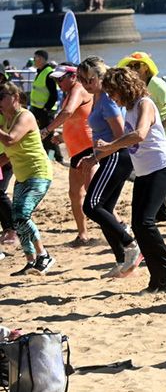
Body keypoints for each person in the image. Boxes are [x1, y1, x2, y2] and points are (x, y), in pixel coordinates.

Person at [94, 67, 166, 295]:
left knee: (145, 223)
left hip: (161, 168)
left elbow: (140, 134)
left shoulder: (144, 103)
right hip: (144, 172)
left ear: (123, 88)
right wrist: (94, 157)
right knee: (138, 225)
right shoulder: (130, 108)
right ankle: (158, 279)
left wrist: (111, 146)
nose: (111, 97)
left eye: (113, 92)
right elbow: (126, 139)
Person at [76, 57, 140, 279]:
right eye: (80, 79)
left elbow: (120, 135)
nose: (85, 84)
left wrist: (98, 156)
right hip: (106, 157)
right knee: (103, 208)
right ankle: (122, 261)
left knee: (91, 206)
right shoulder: (98, 98)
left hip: (117, 156)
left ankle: (130, 243)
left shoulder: (108, 100)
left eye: (89, 79)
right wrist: (93, 158)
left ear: (100, 77)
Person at [117, 53, 166, 225]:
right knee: (153, 170)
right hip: (155, 132)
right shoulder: (139, 86)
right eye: (130, 66)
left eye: (137, 66)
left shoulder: (156, 83)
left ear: (146, 68)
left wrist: (160, 127)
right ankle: (161, 214)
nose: (132, 69)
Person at [0, 82, 55, 275]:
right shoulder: (6, 122)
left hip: (38, 173)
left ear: (14, 97)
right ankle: (31, 261)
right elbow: (9, 153)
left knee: (22, 215)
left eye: (1, 96)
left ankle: (44, 256)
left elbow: (11, 140)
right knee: (17, 219)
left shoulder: (25, 116)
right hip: (23, 176)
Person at [40, 65, 95, 246]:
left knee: (92, 193)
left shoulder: (78, 89)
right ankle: (83, 235)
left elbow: (68, 112)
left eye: (60, 79)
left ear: (73, 76)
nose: (57, 83)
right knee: (75, 194)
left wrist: (48, 129)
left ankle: (120, 226)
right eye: (55, 80)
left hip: (88, 149)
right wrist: (62, 137)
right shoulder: (70, 92)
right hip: (77, 150)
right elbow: (76, 120)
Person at [28, 49, 63, 163]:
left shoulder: (48, 73)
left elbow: (54, 94)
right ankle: (46, 156)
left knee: (48, 135)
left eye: (35, 58)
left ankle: (56, 158)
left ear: (42, 59)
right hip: (36, 109)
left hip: (45, 111)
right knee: (38, 134)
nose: (34, 60)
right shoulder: (40, 71)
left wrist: (46, 108)